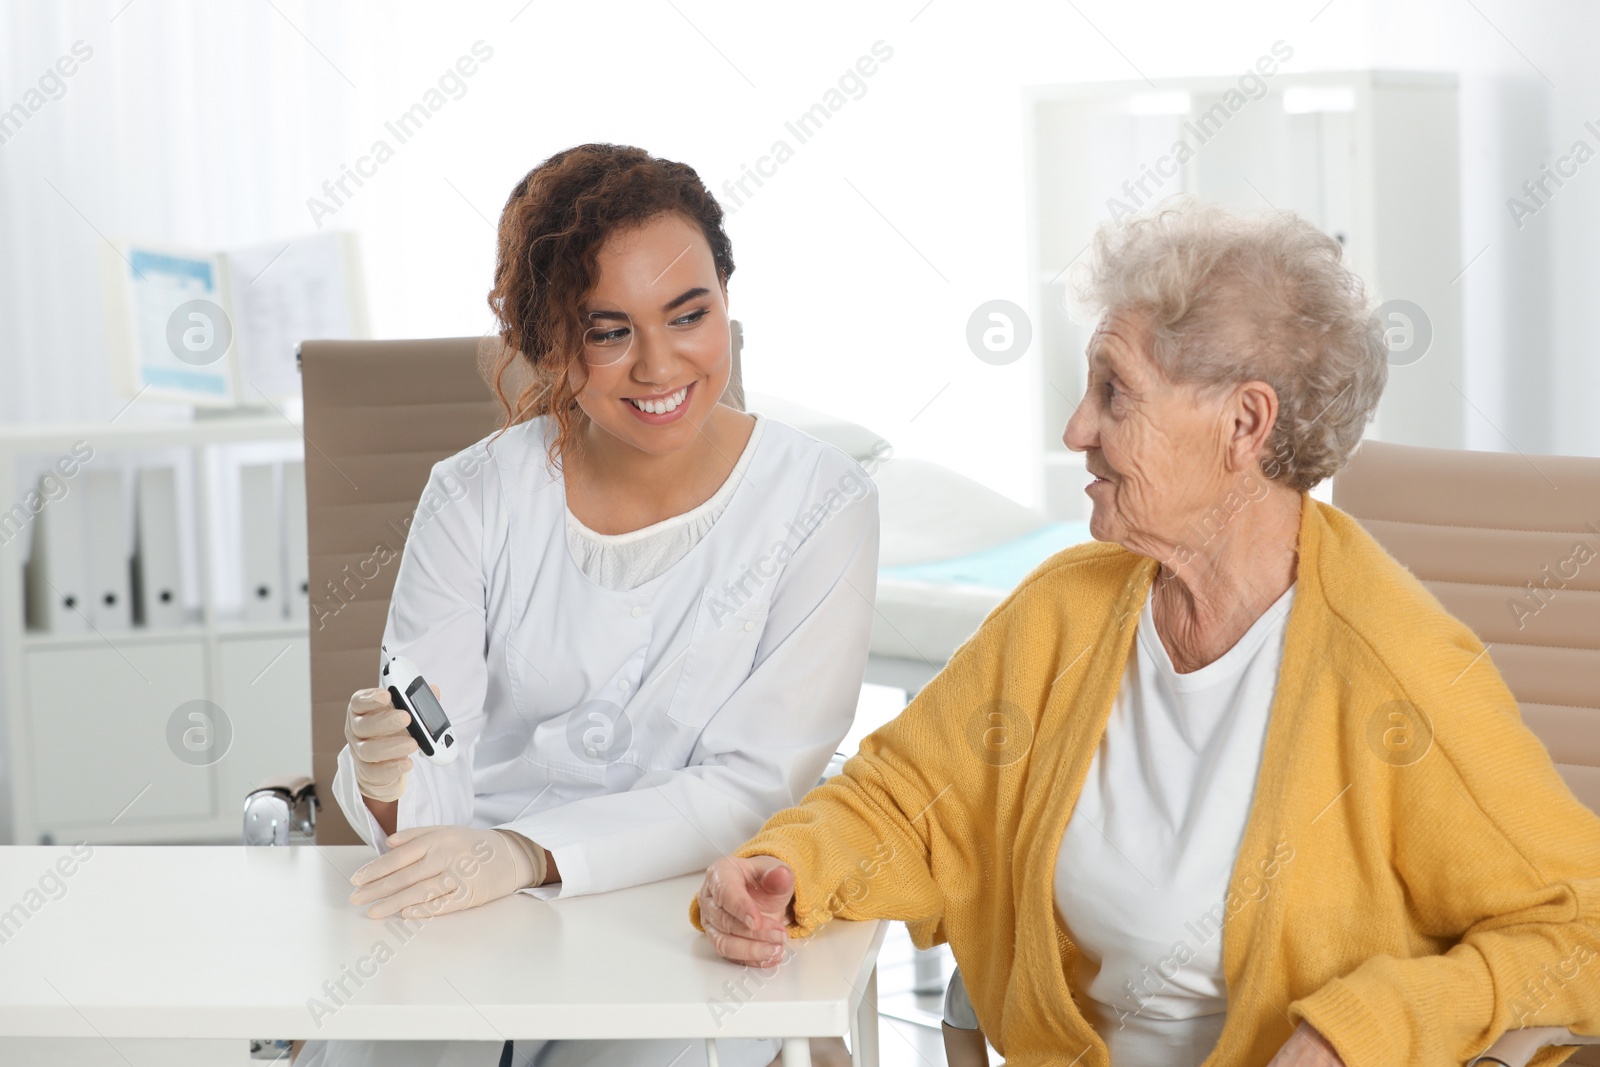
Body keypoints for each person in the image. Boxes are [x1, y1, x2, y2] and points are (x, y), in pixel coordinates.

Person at [692, 199, 1600, 1067]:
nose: (1075, 427)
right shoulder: (1069, 611)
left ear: (1244, 422)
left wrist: (1371, 1027)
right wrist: (787, 864)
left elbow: (1580, 929)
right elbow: (905, 799)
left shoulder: (1393, 670)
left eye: (1114, 394)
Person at [293, 144, 878, 1067]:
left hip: (682, 906)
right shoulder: (474, 495)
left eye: (690, 315)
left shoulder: (820, 503)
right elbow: (434, 749)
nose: (658, 365)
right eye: (609, 332)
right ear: (551, 341)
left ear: (727, 298)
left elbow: (754, 782)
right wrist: (388, 783)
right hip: (469, 902)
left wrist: (530, 851)